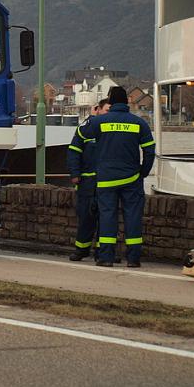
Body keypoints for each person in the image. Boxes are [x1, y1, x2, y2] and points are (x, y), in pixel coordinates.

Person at [78, 86, 155, 268]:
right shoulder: (139, 123)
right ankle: (133, 259)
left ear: (110, 102)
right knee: (133, 217)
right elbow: (150, 151)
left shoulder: (99, 122)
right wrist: (143, 172)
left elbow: (81, 135)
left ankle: (106, 257)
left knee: (107, 217)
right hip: (131, 179)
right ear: (127, 101)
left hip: (106, 179)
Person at [66, 98, 110, 261]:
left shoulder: (111, 131)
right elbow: (73, 152)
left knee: (106, 219)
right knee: (85, 217)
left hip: (107, 182)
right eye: (107, 110)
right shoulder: (85, 129)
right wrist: (75, 175)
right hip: (87, 183)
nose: (109, 114)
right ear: (97, 109)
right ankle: (81, 249)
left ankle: (103, 252)